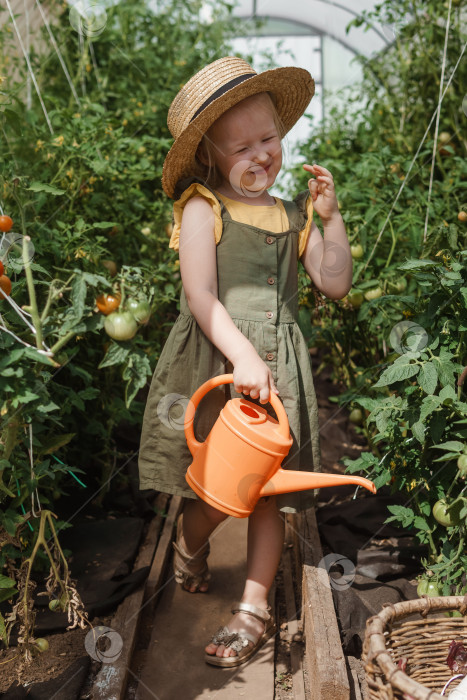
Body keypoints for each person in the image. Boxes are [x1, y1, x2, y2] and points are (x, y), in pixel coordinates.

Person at [138, 56, 352, 667]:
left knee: (267, 490)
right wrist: (241, 354)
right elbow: (201, 296)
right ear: (210, 157)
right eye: (243, 147)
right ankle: (189, 538)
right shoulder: (205, 208)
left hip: (277, 366)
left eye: (270, 140)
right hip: (219, 358)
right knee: (214, 483)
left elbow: (333, 283)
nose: (261, 155)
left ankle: (252, 608)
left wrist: (330, 222)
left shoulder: (290, 214)